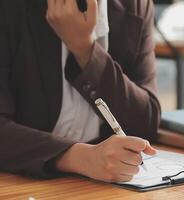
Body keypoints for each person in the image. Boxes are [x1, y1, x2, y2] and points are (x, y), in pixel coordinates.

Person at [0, 0, 161, 183]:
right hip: (18, 182)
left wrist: (85, 48)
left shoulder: (136, 5)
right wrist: (80, 157)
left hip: (98, 185)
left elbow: (145, 123)